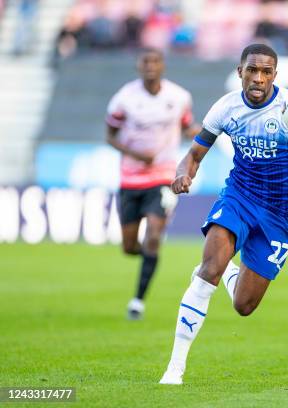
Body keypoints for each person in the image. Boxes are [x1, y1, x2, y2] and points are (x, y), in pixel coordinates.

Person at [159, 43, 288, 385]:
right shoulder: (226, 108)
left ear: (274, 76)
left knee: (244, 306)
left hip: (280, 215)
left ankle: (225, 272)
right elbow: (193, 155)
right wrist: (184, 174)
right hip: (239, 197)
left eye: (266, 72)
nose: (258, 78)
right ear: (240, 72)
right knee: (208, 270)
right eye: (252, 70)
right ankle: (175, 367)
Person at [105, 48, 200, 320]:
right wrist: (135, 154)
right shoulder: (124, 98)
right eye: (145, 61)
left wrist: (202, 132)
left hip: (163, 176)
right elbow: (110, 135)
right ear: (138, 65)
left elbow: (186, 125)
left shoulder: (179, 97)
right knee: (129, 247)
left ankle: (138, 301)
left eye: (155, 61)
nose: (150, 66)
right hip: (130, 178)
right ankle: (149, 254)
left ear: (163, 66)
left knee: (155, 235)